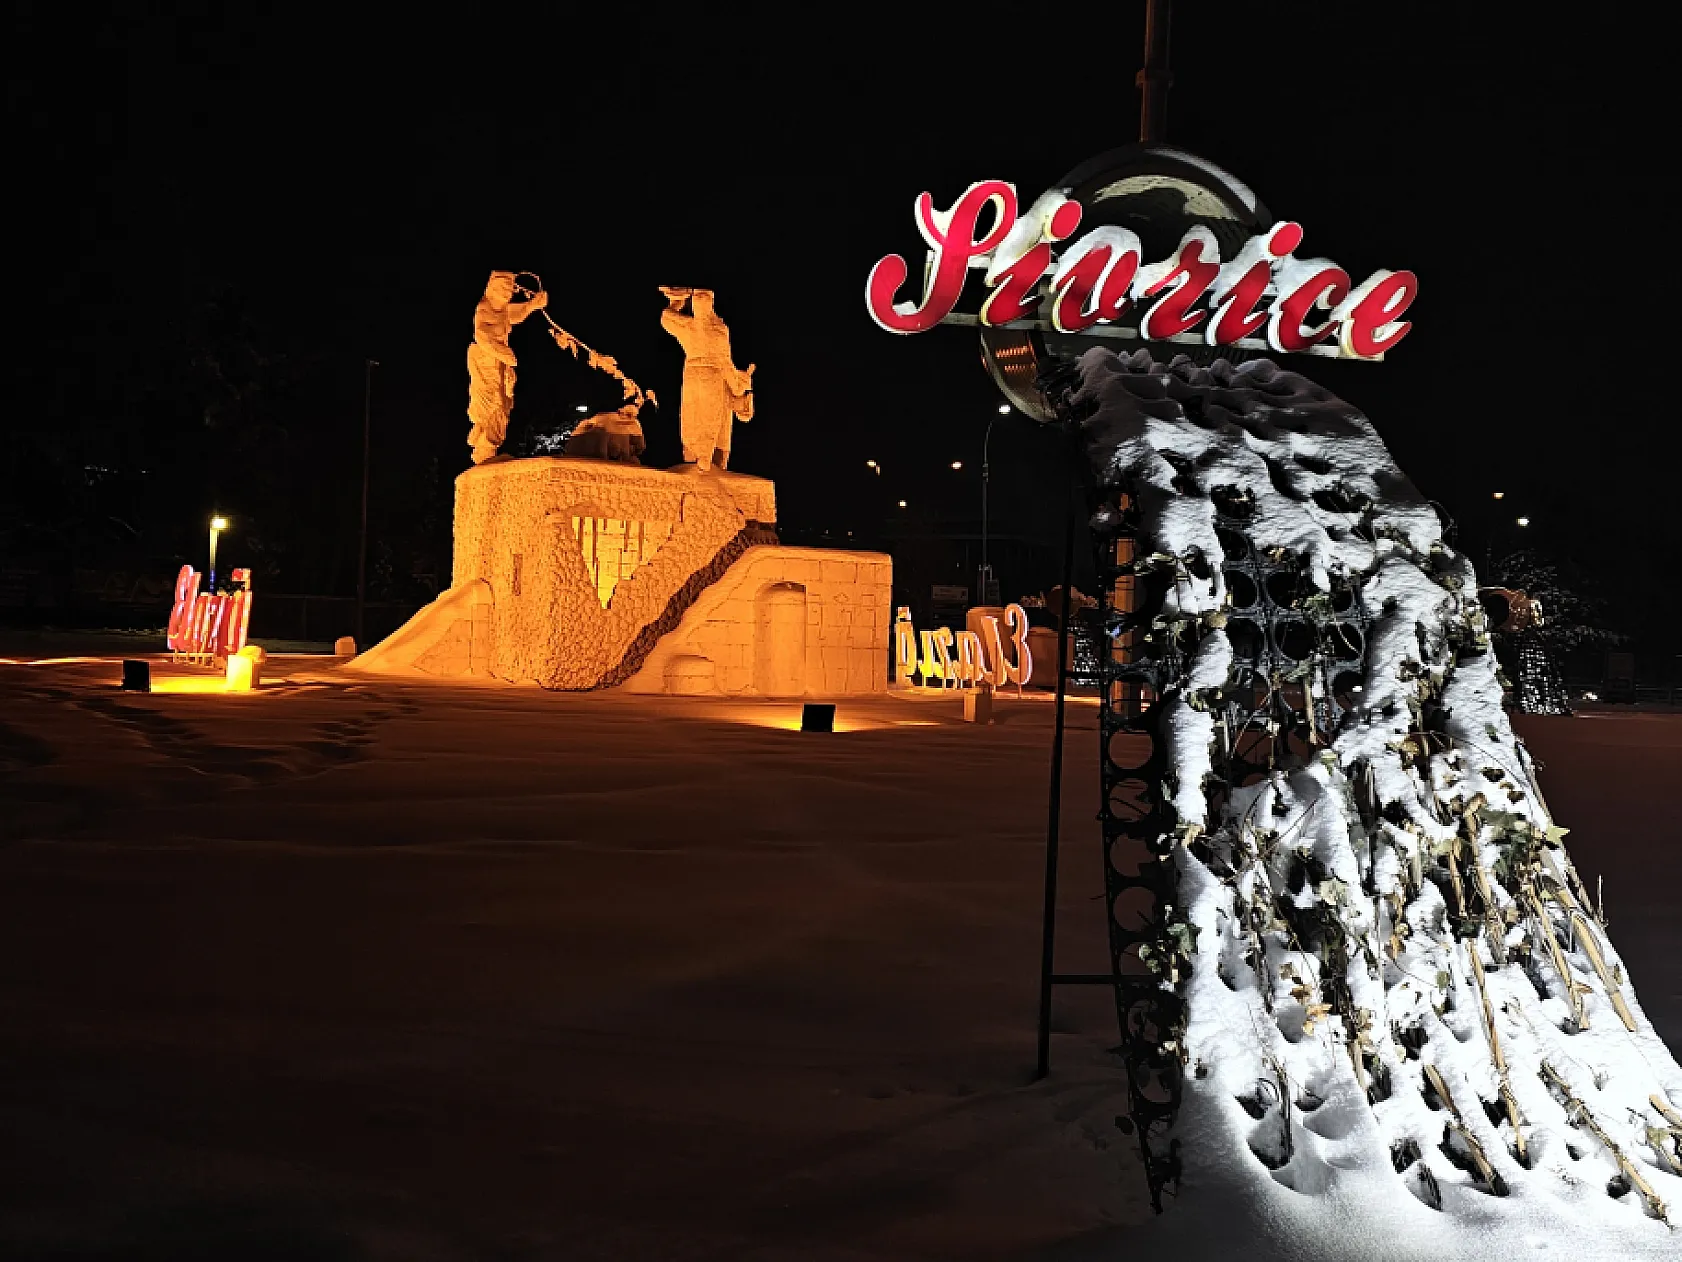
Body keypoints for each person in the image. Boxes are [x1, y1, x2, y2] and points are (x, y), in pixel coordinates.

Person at [658, 287, 754, 471]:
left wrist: (676, 302)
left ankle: (695, 457)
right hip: (712, 374)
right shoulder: (718, 329)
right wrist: (738, 384)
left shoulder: (689, 325)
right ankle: (704, 457)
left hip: (692, 373)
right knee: (708, 415)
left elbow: (666, 318)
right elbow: (725, 363)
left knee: (693, 415)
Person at [466, 271, 547, 464]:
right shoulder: (484, 310)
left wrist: (533, 305)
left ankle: (486, 442)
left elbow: (515, 314)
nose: (508, 294)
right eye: (503, 289)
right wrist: (503, 353)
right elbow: (482, 336)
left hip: (498, 363)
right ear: (492, 289)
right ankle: (485, 449)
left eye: (510, 289)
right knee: (493, 403)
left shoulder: (502, 310)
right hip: (485, 361)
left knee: (502, 402)